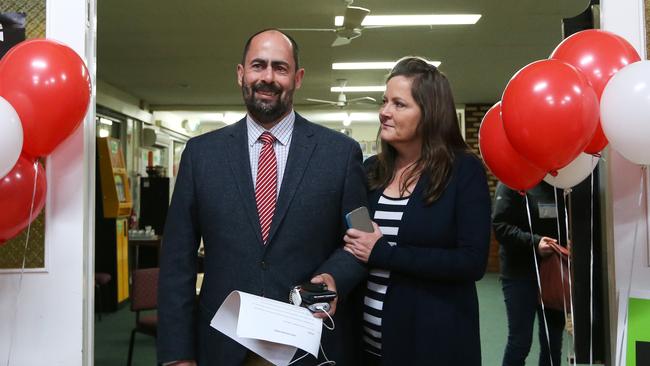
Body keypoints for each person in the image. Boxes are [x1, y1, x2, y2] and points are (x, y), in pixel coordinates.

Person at [157, 29, 368, 366]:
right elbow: (176, 262)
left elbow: (361, 238)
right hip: (223, 344)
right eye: (258, 66)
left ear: (297, 78)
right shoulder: (200, 156)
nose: (268, 77)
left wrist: (334, 277)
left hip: (308, 343)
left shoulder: (341, 155)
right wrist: (177, 354)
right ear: (241, 73)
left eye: (280, 68)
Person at [343, 57, 492, 365]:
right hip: (367, 346)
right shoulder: (371, 171)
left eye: (399, 104)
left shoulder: (462, 170)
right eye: (385, 102)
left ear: (429, 114)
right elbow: (358, 239)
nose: (384, 112)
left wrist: (385, 253)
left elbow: (471, 261)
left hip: (431, 344)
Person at [492, 181, 567, 366]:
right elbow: (500, 226)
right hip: (519, 274)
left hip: (553, 272)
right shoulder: (511, 181)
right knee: (520, 343)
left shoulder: (558, 182)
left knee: (553, 342)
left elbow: (562, 223)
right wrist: (534, 242)